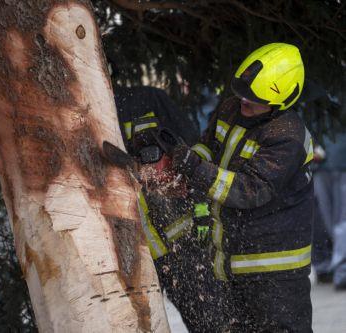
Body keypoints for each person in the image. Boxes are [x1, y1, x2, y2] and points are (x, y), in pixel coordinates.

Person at [165, 43, 314, 331]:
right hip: (232, 263)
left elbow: (250, 190)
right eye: (242, 92)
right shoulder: (233, 107)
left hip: (275, 272)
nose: (244, 102)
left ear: (283, 99)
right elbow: (211, 148)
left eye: (254, 99)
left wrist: (196, 170)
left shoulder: (288, 136)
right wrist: (185, 162)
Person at [113, 86, 230, 332]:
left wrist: (201, 211)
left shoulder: (146, 99)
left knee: (211, 321)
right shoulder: (80, 112)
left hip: (181, 244)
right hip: (131, 250)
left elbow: (195, 154)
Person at [312, 134, 346, 290]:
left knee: (324, 219)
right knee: (339, 220)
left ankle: (328, 267)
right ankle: (339, 270)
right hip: (335, 159)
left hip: (320, 160)